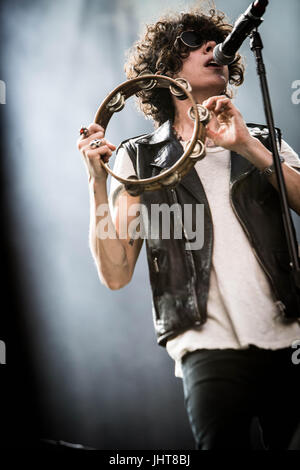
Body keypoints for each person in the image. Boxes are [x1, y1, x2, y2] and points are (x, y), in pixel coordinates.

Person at [77, 6, 300, 450]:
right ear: (164, 66)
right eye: (193, 41)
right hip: (205, 343)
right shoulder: (137, 158)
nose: (211, 48)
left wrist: (250, 149)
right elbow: (116, 273)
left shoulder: (263, 139)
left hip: (289, 335)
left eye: (215, 42)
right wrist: (97, 183)